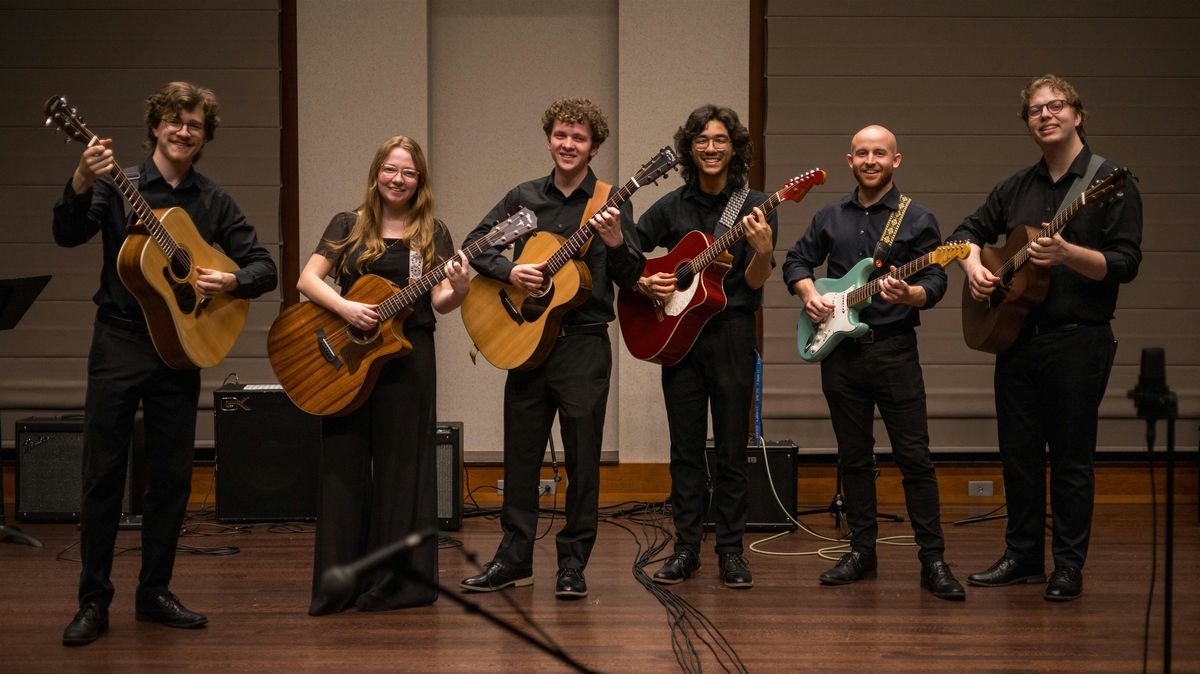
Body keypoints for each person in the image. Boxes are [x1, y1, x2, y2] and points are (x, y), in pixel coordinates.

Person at [52, 82, 278, 646]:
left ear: (205, 136)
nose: (184, 131)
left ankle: (154, 591)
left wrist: (231, 279)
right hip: (120, 343)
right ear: (155, 126)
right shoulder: (116, 183)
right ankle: (93, 600)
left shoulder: (213, 200)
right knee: (103, 475)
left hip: (180, 349)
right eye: (175, 121)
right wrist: (81, 180)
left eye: (195, 125)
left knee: (172, 479)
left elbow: (264, 266)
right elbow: (66, 233)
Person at [952, 75, 1142, 601]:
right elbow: (962, 235)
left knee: (1073, 458)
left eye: (1056, 106)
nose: (1045, 115)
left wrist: (1069, 256)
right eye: (1035, 110)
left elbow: (1126, 264)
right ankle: (1022, 556)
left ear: (1077, 114)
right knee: (1018, 455)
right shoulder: (1016, 187)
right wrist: (973, 268)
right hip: (1015, 339)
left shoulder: (1111, 183)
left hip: (1078, 340)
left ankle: (1069, 566)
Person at [458, 97, 641, 599]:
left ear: (594, 146)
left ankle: (572, 564)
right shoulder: (524, 197)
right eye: (561, 135)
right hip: (525, 342)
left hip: (583, 345)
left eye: (579, 138)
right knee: (520, 456)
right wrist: (508, 270)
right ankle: (513, 559)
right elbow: (476, 243)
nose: (568, 144)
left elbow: (635, 278)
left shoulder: (610, 201)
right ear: (549, 139)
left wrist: (618, 239)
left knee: (583, 461)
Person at [782, 125, 964, 600]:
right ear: (849, 160)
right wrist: (809, 295)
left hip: (894, 350)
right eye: (862, 153)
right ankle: (862, 553)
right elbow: (797, 262)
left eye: (879, 153)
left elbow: (937, 282)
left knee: (915, 458)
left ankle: (933, 560)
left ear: (895, 160)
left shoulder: (918, 219)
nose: (870, 160)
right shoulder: (829, 215)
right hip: (840, 353)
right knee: (854, 458)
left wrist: (913, 292)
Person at [302, 136, 469, 615]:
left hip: (408, 356)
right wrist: (347, 307)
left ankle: (397, 584)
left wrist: (457, 288)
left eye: (409, 173)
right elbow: (307, 280)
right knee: (342, 463)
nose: (399, 180)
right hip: (346, 359)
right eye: (391, 170)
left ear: (420, 181)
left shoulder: (432, 234)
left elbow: (438, 303)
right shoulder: (347, 224)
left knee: (403, 469)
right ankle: (339, 585)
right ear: (377, 172)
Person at [635, 104, 776, 589]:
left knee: (733, 449)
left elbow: (756, 283)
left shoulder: (755, 203)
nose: (711, 148)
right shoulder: (672, 205)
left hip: (733, 334)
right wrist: (643, 282)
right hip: (679, 339)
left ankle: (732, 552)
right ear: (689, 149)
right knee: (686, 450)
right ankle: (686, 549)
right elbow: (631, 251)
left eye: (720, 139)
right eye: (701, 140)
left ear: (734, 147)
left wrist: (763, 251)